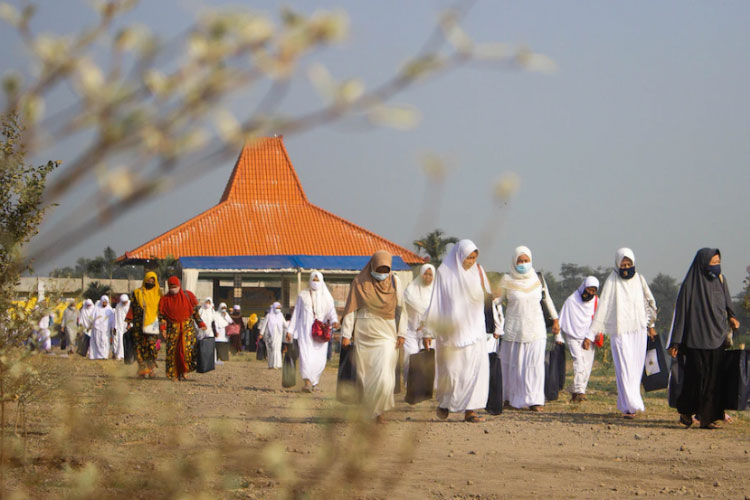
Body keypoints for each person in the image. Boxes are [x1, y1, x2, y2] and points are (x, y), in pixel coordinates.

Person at [422, 240, 494, 423]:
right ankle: (446, 403)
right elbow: (436, 302)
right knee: (452, 373)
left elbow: (487, 298)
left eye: (474, 258)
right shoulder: (444, 274)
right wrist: (428, 331)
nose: (471, 261)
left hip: (475, 332)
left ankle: (470, 410)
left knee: (474, 373)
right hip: (451, 334)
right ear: (459, 255)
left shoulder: (478, 272)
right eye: (468, 257)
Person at [668, 248, 739, 429]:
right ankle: (686, 411)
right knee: (695, 377)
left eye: (718, 263)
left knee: (714, 379)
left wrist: (732, 317)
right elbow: (681, 314)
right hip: (696, 339)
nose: (716, 267)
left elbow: (727, 304)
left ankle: (708, 418)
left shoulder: (721, 281)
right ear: (702, 263)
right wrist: (676, 341)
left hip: (717, 337)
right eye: (713, 263)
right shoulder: (689, 285)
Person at [591, 248, 657, 419]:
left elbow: (649, 302)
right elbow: (603, 307)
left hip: (638, 330)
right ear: (617, 265)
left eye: (629, 264)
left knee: (635, 369)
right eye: (623, 265)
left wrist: (651, 325)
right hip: (619, 331)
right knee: (624, 368)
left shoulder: (639, 280)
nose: (626, 268)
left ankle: (627, 404)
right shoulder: (612, 281)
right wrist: (594, 331)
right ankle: (632, 405)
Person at [340, 250, 406, 423]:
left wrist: (402, 333)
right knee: (365, 376)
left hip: (386, 334)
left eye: (386, 269)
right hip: (364, 334)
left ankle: (379, 410)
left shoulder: (395, 282)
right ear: (372, 266)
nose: (382, 273)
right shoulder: (359, 282)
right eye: (379, 269)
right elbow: (351, 309)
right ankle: (373, 412)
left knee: (384, 377)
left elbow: (402, 309)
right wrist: (346, 334)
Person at [496, 246, 560, 412]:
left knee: (535, 366)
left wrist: (555, 320)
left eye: (526, 261)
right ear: (514, 262)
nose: (523, 264)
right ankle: (509, 398)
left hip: (536, 329)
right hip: (513, 330)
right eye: (520, 261)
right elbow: (497, 301)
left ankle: (535, 400)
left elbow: (548, 300)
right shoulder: (506, 280)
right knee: (511, 366)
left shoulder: (538, 278)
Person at [286, 272, 339, 392]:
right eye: (313, 280)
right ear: (310, 281)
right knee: (306, 356)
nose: (315, 282)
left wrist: (335, 322)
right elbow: (296, 314)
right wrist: (290, 331)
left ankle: (314, 381)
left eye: (317, 280)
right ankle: (307, 382)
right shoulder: (303, 296)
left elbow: (332, 314)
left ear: (321, 281)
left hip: (321, 333)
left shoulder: (327, 297)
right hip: (305, 332)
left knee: (319, 360)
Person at [559, 276, 600, 402]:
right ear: (584, 287)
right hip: (572, 335)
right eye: (588, 290)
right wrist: (558, 336)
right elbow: (562, 319)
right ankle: (579, 391)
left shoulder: (597, 302)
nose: (590, 293)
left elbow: (598, 320)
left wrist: (590, 337)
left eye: (593, 291)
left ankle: (577, 392)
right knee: (579, 363)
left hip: (589, 337)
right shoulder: (571, 301)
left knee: (586, 366)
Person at [158, 276, 205, 381]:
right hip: (172, 329)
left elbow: (195, 312)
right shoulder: (164, 299)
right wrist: (163, 329)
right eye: (171, 287)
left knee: (186, 351)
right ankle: (173, 374)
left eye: (175, 286)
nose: (173, 289)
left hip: (187, 328)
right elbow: (161, 317)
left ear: (179, 286)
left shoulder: (188, 295)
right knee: (172, 352)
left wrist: (201, 323)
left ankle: (184, 371)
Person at [402, 264, 435, 384]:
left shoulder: (435, 293)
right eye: (425, 274)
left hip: (429, 331)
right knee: (410, 355)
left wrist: (426, 326)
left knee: (427, 359)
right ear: (421, 274)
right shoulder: (410, 290)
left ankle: (423, 385)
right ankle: (409, 384)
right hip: (410, 329)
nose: (427, 277)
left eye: (430, 275)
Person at [128, 271, 162, 378]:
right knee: (139, 347)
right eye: (148, 280)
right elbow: (131, 308)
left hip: (153, 325)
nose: (150, 282)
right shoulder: (137, 293)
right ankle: (142, 369)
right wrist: (129, 321)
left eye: (153, 280)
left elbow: (162, 310)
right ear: (144, 280)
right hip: (138, 325)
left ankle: (151, 370)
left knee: (152, 348)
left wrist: (164, 324)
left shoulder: (159, 294)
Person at [260, 302, 286, 369]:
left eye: (279, 308)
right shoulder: (269, 315)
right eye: (277, 308)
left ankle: (278, 364)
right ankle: (272, 365)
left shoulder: (281, 315)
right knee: (272, 349)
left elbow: (285, 324)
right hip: (270, 335)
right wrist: (261, 333)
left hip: (279, 335)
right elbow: (264, 325)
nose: (278, 309)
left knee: (278, 349)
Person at [89, 295, 115, 360]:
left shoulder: (109, 310)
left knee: (105, 342)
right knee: (97, 342)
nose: (104, 304)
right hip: (97, 329)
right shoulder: (96, 309)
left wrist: (113, 327)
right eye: (103, 302)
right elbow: (91, 318)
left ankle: (104, 355)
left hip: (106, 329)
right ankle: (97, 355)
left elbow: (112, 320)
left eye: (105, 302)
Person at [112, 294, 131, 361]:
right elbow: (116, 317)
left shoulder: (130, 305)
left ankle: (129, 355)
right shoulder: (118, 306)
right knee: (120, 340)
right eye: (123, 302)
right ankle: (120, 355)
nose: (124, 303)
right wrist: (115, 326)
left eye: (125, 302)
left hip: (129, 325)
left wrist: (130, 324)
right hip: (120, 325)